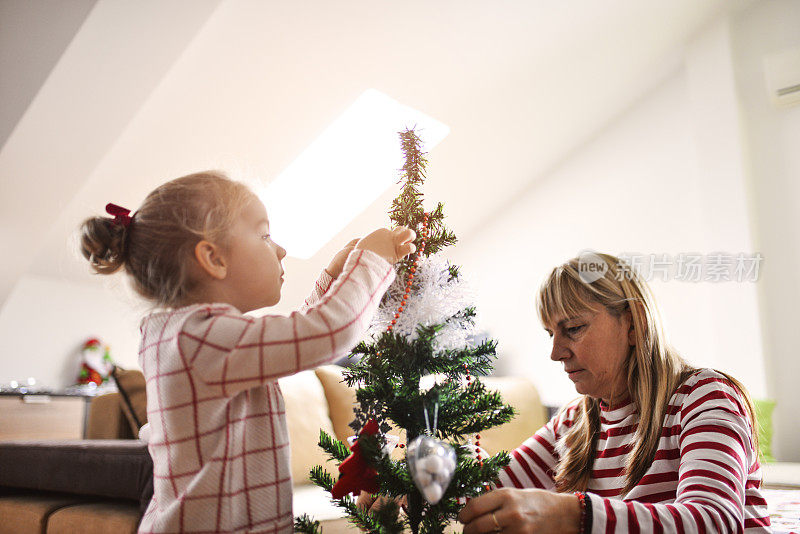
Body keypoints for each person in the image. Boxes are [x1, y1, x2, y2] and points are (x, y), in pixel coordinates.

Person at [79, 171, 416, 533]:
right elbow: (328, 332)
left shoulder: (184, 334)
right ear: (213, 258)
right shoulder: (201, 338)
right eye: (264, 235)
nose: (281, 249)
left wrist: (330, 282)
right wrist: (373, 259)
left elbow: (286, 342)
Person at [458, 252, 771, 534]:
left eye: (573, 329)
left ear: (635, 323)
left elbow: (713, 521)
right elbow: (485, 490)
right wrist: (431, 475)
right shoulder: (574, 421)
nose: (555, 353)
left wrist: (572, 515)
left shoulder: (704, 397)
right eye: (551, 334)